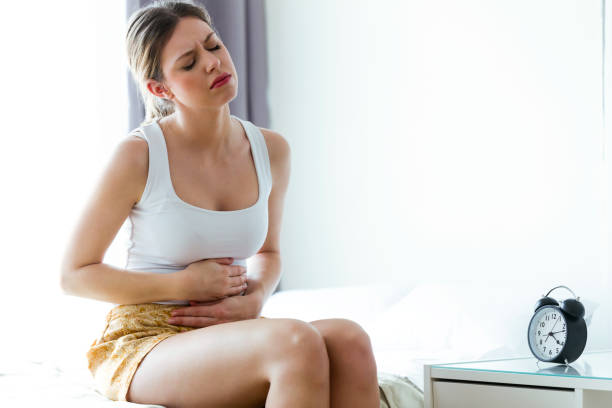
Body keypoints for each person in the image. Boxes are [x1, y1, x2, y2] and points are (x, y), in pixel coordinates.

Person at [60, 1, 380, 407]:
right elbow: (74, 275)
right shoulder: (139, 155)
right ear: (161, 88)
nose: (213, 63)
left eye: (213, 46)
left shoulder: (272, 150)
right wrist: (184, 284)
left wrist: (256, 295)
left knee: (350, 340)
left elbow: (269, 252)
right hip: (148, 337)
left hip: (230, 329)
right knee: (294, 342)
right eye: (189, 63)